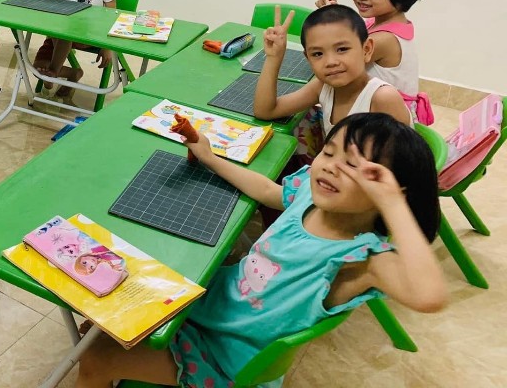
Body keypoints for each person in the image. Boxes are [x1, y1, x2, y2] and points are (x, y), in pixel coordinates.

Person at [75, 113, 446, 388]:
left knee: (96, 357)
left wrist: (392, 203)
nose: (331, 168)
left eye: (353, 166)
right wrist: (209, 157)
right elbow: (268, 191)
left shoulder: (360, 260)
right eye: (329, 152)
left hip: (223, 356)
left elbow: (428, 296)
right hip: (210, 307)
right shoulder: (310, 197)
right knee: (102, 317)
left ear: (388, 190)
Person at [254, 5, 413, 139]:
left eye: (342, 49)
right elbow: (265, 111)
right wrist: (274, 57)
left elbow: (402, 159)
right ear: (308, 58)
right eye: (317, 54)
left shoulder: (382, 98)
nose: (331, 62)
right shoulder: (322, 87)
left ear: (366, 49)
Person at [315, 0, 431, 122]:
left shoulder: (384, 39)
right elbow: (351, 36)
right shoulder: (380, 23)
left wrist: (329, 21)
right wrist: (335, 13)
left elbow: (340, 60)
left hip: (383, 121)